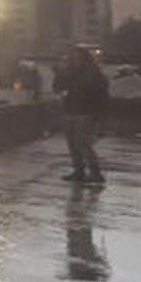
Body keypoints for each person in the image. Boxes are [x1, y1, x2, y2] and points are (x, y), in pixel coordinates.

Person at [55, 45, 108, 184]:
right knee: (72, 143)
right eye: (72, 58)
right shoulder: (68, 72)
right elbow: (57, 88)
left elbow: (100, 92)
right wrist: (59, 75)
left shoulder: (93, 73)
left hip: (87, 112)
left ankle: (96, 173)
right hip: (70, 110)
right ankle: (79, 171)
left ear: (85, 59)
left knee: (82, 142)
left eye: (77, 58)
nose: (74, 61)